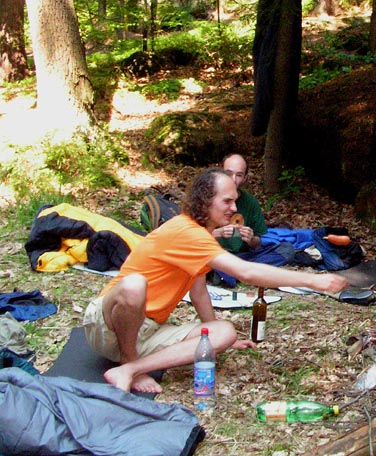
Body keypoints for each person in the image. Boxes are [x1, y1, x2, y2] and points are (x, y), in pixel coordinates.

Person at [82, 168, 348, 394]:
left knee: (223, 331)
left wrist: (223, 339)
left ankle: (131, 367)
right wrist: (316, 281)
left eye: (235, 201)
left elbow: (199, 293)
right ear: (205, 201)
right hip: (107, 325)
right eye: (227, 201)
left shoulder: (202, 238)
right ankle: (129, 363)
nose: (234, 208)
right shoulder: (185, 231)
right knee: (133, 284)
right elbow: (246, 273)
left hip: (148, 331)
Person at [212, 153, 267, 253]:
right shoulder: (207, 198)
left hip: (241, 256)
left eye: (239, 175)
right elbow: (191, 238)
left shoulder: (250, 202)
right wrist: (216, 234)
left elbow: (258, 243)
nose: (233, 179)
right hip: (213, 256)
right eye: (228, 173)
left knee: (285, 250)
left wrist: (251, 239)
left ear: (245, 178)